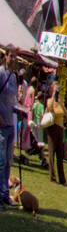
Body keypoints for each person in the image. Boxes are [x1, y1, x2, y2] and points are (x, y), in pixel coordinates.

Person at [0, 51, 16, 208]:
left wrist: (20, 109)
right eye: (11, 56)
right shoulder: (1, 73)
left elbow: (13, 100)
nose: (13, 59)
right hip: (1, 124)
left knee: (8, 162)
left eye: (15, 57)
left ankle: (5, 195)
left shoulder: (13, 76)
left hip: (11, 122)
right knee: (1, 161)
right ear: (6, 57)